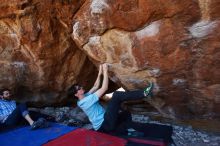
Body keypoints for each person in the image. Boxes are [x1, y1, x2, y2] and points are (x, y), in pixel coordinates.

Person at [68, 64, 154, 134]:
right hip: (104, 124)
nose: (81, 87)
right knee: (116, 95)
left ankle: (127, 131)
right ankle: (143, 93)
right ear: (76, 94)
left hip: (105, 123)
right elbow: (104, 88)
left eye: (79, 86)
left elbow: (95, 86)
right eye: (78, 88)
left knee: (126, 114)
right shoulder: (85, 102)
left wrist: (100, 71)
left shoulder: (84, 98)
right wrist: (105, 71)